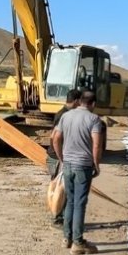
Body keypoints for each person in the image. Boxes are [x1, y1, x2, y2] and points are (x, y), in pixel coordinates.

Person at [51, 89, 105, 254]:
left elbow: (55, 139)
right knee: (80, 203)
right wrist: (96, 164)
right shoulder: (94, 119)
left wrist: (62, 158)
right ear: (93, 104)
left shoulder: (66, 116)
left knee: (71, 201)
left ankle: (66, 238)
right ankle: (78, 242)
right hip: (83, 166)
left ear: (80, 101)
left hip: (67, 164)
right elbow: (96, 145)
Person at [47, 89, 83, 228]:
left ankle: (59, 217)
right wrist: (62, 159)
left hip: (57, 156)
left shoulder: (64, 113)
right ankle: (58, 219)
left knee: (59, 187)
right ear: (76, 101)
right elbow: (55, 139)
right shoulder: (64, 115)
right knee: (62, 189)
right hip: (58, 158)